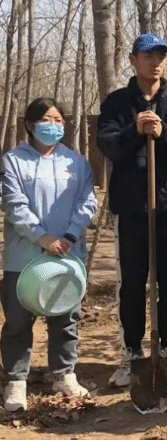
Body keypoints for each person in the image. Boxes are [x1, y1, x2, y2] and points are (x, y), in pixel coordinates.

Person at [97, 33, 167, 387]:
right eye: (148, 56)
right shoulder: (117, 103)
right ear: (133, 60)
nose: (155, 62)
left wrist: (163, 131)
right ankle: (132, 353)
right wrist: (135, 130)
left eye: (160, 56)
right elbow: (107, 144)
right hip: (132, 208)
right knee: (132, 283)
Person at [1, 98, 98, 412]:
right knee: (17, 322)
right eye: (46, 119)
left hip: (66, 256)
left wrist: (68, 237)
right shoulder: (14, 161)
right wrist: (42, 238)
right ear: (30, 125)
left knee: (66, 319)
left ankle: (64, 374)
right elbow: (14, 204)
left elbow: (88, 202)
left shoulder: (76, 163)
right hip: (23, 256)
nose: (53, 125)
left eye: (58, 120)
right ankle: (16, 380)